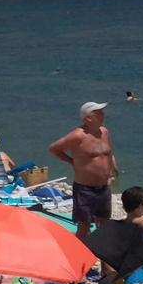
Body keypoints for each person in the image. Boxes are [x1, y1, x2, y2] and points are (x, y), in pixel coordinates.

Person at [50, 101, 119, 248]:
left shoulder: (104, 132)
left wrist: (113, 170)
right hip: (85, 189)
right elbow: (54, 148)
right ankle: (80, 263)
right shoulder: (77, 136)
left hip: (103, 187)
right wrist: (72, 161)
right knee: (83, 229)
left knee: (104, 227)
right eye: (98, 113)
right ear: (88, 118)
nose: (103, 115)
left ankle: (105, 265)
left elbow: (108, 152)